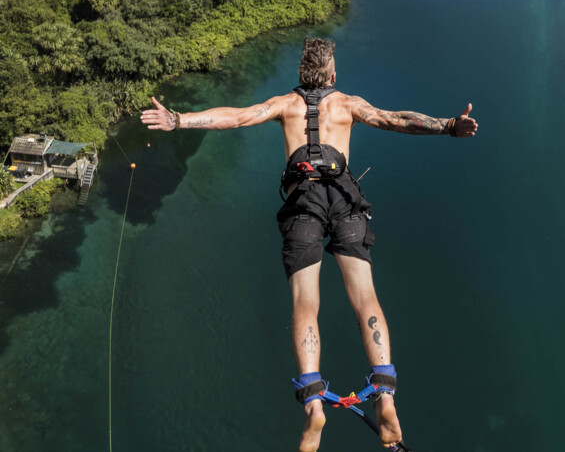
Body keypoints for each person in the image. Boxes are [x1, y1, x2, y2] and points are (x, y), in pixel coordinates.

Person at [141, 37, 478, 451]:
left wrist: (179, 120)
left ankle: (313, 403)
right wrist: (447, 126)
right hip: (345, 200)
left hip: (304, 204)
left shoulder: (285, 105)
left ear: (300, 75)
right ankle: (385, 394)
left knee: (305, 302)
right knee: (365, 297)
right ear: (333, 75)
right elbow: (396, 119)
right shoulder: (349, 104)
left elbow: (235, 117)